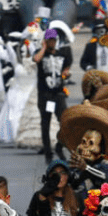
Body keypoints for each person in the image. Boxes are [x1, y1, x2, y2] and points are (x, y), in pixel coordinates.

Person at [34, 25, 72, 158]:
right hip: (45, 95)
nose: (52, 43)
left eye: (53, 40)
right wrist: (43, 47)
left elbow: (67, 67)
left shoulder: (62, 53)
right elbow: (36, 59)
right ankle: (47, 151)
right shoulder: (41, 53)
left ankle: (59, 146)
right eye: (49, 40)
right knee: (46, 123)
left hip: (58, 94)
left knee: (64, 121)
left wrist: (66, 73)